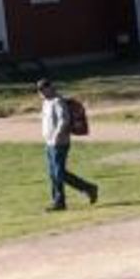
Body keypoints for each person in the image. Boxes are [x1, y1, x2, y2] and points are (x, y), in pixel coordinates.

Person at [37, 78, 97, 210]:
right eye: (39, 90)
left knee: (59, 173)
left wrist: (58, 135)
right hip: (49, 142)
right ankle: (61, 200)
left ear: (50, 87)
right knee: (54, 173)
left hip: (60, 142)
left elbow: (64, 120)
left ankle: (84, 190)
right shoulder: (46, 102)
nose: (41, 92)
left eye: (43, 89)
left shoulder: (58, 101)